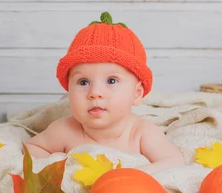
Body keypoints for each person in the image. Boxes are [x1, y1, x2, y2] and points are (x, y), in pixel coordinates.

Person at [26, 12, 186, 174]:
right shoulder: (63, 130)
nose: (95, 93)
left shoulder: (142, 133)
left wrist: (134, 175)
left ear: (136, 94)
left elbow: (174, 162)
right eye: (83, 82)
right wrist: (55, 162)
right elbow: (31, 148)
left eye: (111, 81)